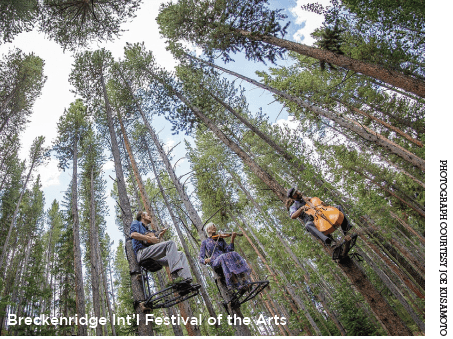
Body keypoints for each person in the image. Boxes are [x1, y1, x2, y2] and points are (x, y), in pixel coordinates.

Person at [130, 211, 192, 284]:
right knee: (170, 243)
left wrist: (159, 235)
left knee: (181, 254)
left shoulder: (149, 230)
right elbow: (133, 234)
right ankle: (175, 276)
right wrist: (149, 238)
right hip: (142, 253)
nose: (150, 216)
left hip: (152, 255)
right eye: (147, 215)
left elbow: (153, 242)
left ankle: (186, 280)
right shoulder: (136, 223)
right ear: (142, 216)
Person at [286, 187, 352, 247]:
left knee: (338, 208)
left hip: (320, 212)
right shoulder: (294, 206)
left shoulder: (306, 198)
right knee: (308, 225)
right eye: (296, 193)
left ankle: (346, 229)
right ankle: (328, 241)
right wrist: (301, 208)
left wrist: (322, 203)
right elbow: (293, 216)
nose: (298, 192)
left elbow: (317, 203)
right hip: (312, 220)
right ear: (293, 197)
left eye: (297, 191)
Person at [199, 223, 251, 291]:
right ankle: (236, 283)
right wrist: (205, 261)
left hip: (225, 258)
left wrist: (232, 238)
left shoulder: (220, 239)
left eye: (215, 226)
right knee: (223, 257)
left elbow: (229, 250)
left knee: (233, 253)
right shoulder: (205, 242)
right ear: (208, 230)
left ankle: (244, 280)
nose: (214, 228)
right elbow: (200, 257)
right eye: (212, 227)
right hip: (215, 262)